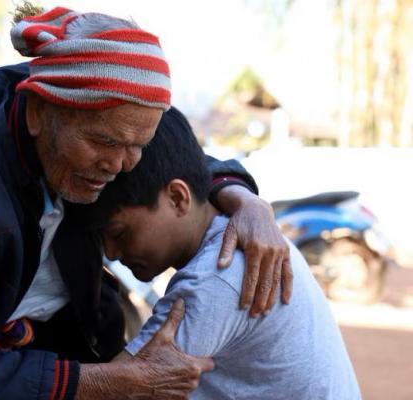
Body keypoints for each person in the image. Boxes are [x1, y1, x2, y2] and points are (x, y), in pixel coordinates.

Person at [0, 6, 292, 400]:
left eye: (138, 144)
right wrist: (118, 382)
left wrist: (247, 202)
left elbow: (184, 166)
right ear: (41, 113)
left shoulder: (107, 113)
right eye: (105, 142)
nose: (121, 165)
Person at [86, 106, 361, 399]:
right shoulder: (248, 234)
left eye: (118, 233)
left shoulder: (216, 274)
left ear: (178, 198)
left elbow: (114, 390)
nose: (111, 253)